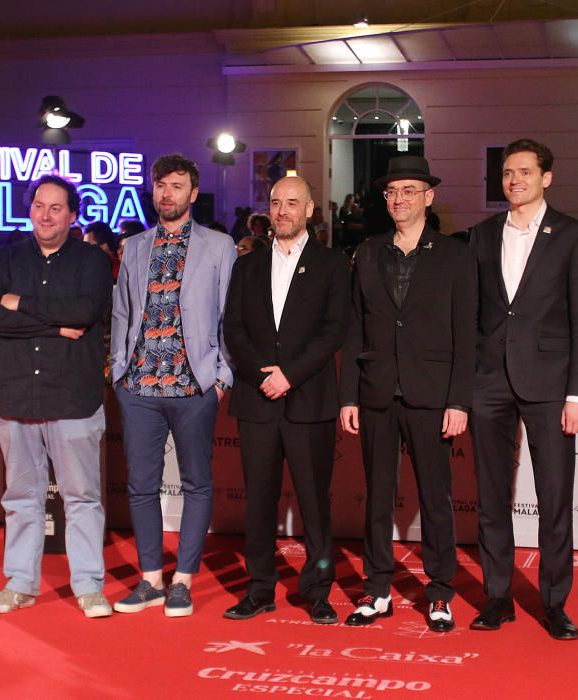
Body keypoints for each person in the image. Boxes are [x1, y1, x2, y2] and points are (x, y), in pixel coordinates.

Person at [339, 155, 476, 633]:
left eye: (410, 191)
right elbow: (355, 327)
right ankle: (376, 589)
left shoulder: (457, 255)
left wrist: (459, 401)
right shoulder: (368, 252)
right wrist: (348, 396)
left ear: (429, 197)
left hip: (432, 395)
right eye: (392, 193)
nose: (399, 200)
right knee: (377, 497)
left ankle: (439, 593)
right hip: (376, 391)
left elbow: (466, 334)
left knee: (436, 498)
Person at [468, 139, 578, 641]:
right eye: (506, 173)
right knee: (491, 497)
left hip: (549, 383)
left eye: (524, 171)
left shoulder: (571, 235)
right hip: (488, 382)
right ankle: (497, 596)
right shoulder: (479, 235)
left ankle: (555, 603)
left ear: (547, 177)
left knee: (555, 498)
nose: (514, 179)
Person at [0, 175, 114, 618]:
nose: (46, 214)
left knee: (82, 498)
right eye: (39, 205)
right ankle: (19, 584)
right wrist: (54, 327)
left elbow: (86, 311)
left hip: (73, 396)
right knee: (20, 498)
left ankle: (89, 585)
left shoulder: (92, 260)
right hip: (17, 396)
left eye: (56, 208)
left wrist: (22, 303)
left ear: (73, 215)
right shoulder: (8, 257)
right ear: (30, 208)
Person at [110, 153, 236, 617]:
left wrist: (221, 378)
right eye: (161, 185)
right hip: (139, 385)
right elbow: (122, 310)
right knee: (141, 486)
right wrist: (119, 371)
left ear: (193, 193)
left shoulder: (220, 246)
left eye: (177, 186)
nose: (168, 194)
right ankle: (150, 580)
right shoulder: (135, 245)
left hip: (194, 385)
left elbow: (228, 315)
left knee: (196, 483)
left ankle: (182, 579)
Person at [222, 176, 350, 624]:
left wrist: (290, 375)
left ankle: (317, 591)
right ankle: (259, 588)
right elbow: (232, 329)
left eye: (292, 203)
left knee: (314, 502)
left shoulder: (334, 265)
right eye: (275, 202)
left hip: (308, 400)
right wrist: (264, 375)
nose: (282, 211)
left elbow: (335, 329)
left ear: (310, 210)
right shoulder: (248, 266)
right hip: (257, 400)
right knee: (258, 500)